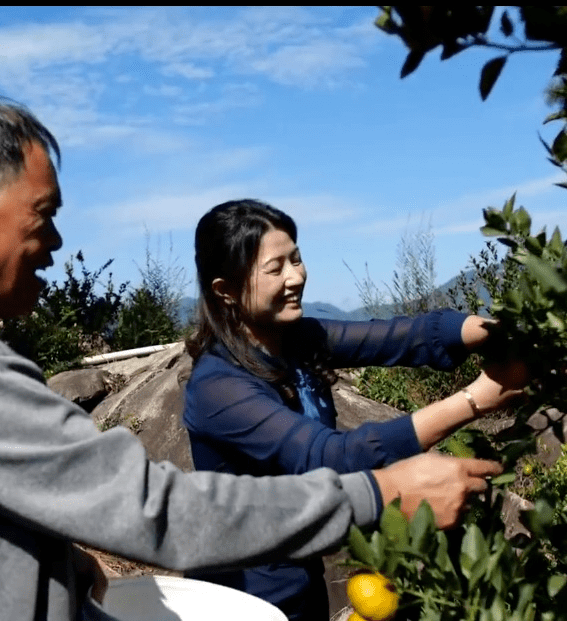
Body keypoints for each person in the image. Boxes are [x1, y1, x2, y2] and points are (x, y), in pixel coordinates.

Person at [0, 93, 505, 621]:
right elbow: (155, 508)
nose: (55, 242)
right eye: (43, 214)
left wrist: (58, 560)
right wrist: (379, 493)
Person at [182, 199, 527, 621]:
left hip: (301, 577)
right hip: (245, 596)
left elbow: (404, 336)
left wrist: (502, 334)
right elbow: (334, 459)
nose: (296, 277)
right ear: (225, 290)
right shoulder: (219, 388)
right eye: (275, 268)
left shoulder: (295, 339)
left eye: (297, 258)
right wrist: (476, 399)